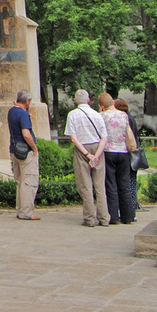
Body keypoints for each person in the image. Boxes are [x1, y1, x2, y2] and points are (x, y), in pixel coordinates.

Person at [64, 88, 110, 227]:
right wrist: (96, 155)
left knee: (86, 185)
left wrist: (86, 154)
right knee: (100, 185)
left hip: (81, 149)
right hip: (98, 148)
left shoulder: (72, 115)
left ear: (75, 100)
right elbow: (104, 137)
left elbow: (73, 138)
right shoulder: (97, 115)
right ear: (89, 100)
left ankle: (89, 218)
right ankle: (104, 218)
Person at [98, 93, 137, 224]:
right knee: (124, 184)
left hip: (109, 151)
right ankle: (128, 216)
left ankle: (113, 216)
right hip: (123, 151)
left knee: (111, 184)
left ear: (102, 106)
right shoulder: (123, 115)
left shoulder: (101, 116)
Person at [7, 89, 40, 220]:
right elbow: (26, 133)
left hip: (14, 149)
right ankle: (26, 212)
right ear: (27, 101)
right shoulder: (23, 114)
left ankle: (20, 209)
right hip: (25, 151)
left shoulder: (11, 111)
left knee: (20, 182)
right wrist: (34, 147)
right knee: (29, 182)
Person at [115, 98, 144, 220]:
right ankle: (131, 209)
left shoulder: (125, 119)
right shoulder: (129, 117)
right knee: (130, 182)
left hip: (129, 154)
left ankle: (131, 210)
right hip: (132, 154)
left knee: (129, 183)